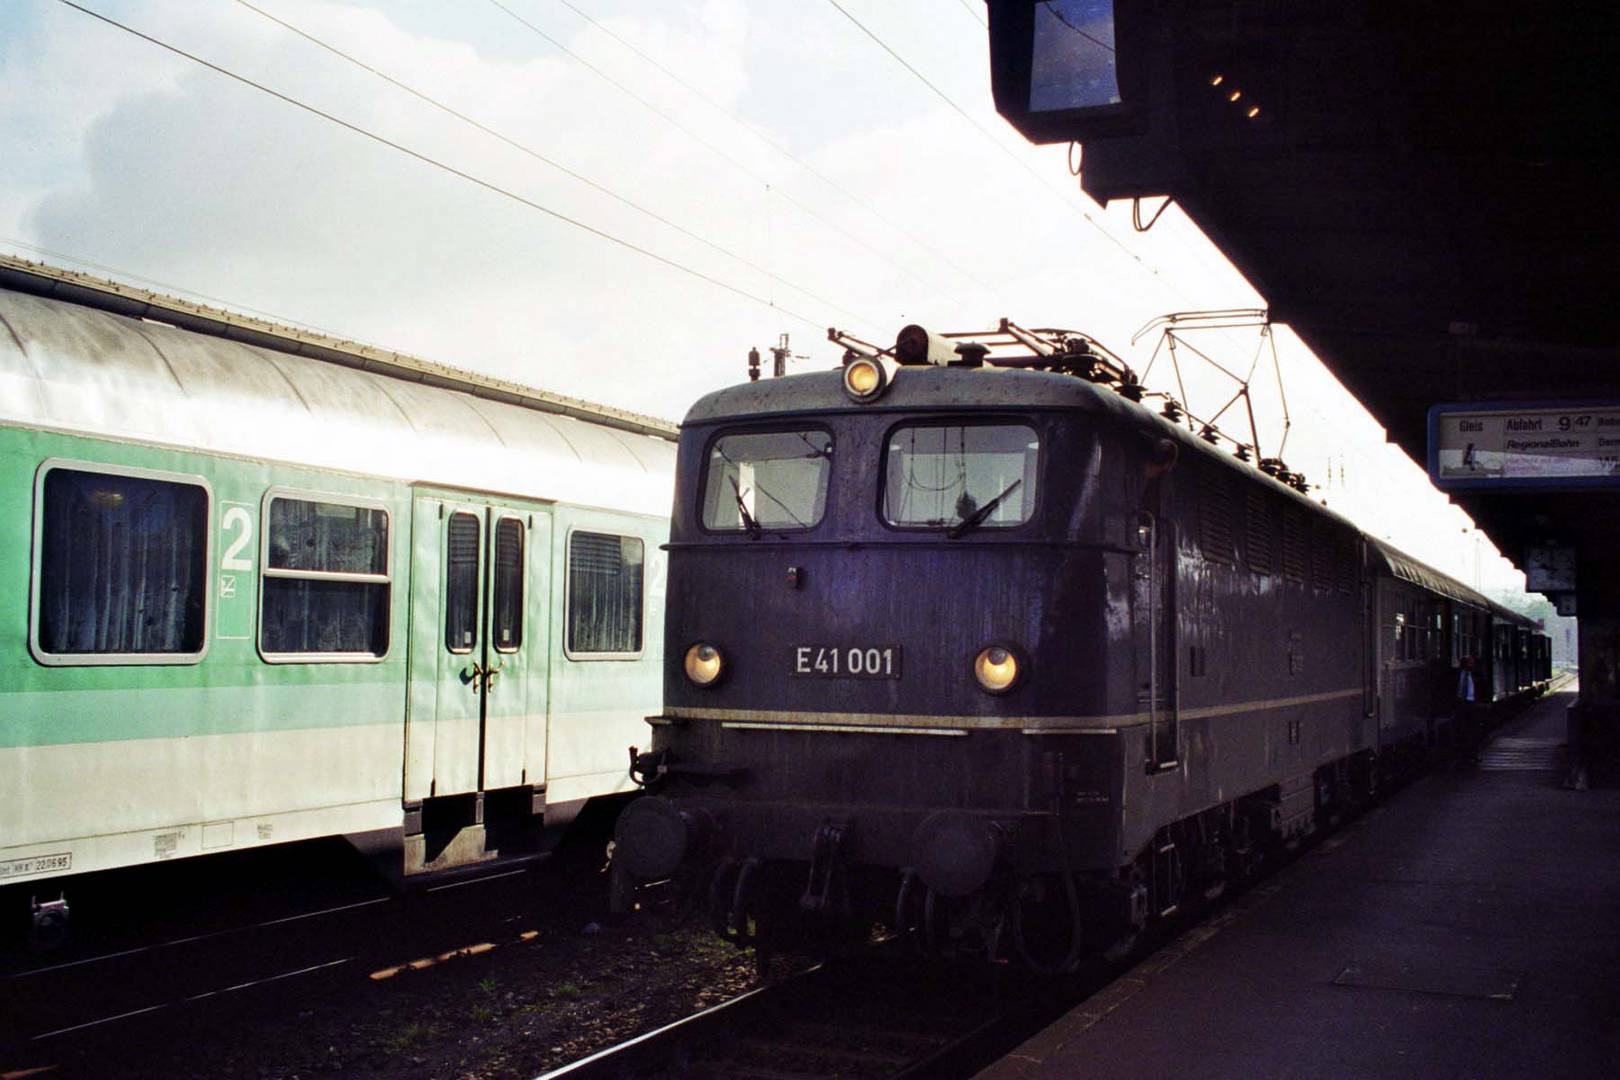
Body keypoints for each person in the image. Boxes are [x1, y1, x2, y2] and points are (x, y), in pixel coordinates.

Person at [1455, 656, 1480, 762]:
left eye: (1472, 663)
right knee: (1463, 729)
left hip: (1472, 703)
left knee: (1473, 730)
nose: (1472, 665)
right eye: (1470, 663)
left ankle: (1473, 754)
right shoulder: (1457, 675)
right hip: (1461, 703)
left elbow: (1482, 687)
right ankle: (1464, 754)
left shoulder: (1476, 675)